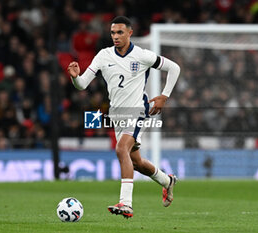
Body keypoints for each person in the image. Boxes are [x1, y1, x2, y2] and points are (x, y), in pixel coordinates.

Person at [67, 16, 180, 218]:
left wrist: (164, 96)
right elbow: (83, 85)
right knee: (135, 161)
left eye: (120, 32)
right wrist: (75, 77)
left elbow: (174, 68)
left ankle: (126, 204)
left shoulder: (142, 55)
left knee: (121, 149)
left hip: (137, 110)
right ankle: (167, 181)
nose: (116, 36)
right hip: (117, 114)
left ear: (130, 32)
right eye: (112, 33)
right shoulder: (103, 55)